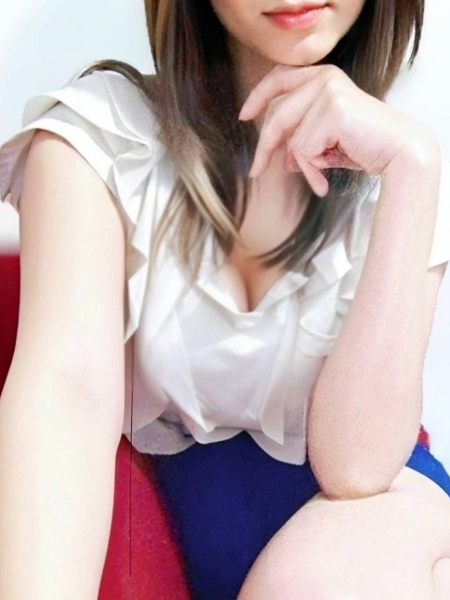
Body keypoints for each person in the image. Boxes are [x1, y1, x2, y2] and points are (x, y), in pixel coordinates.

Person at [1, 0, 450, 598]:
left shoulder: (403, 158)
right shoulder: (100, 138)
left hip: (373, 521)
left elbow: (356, 470)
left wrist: (413, 170)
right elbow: (67, 394)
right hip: (191, 523)